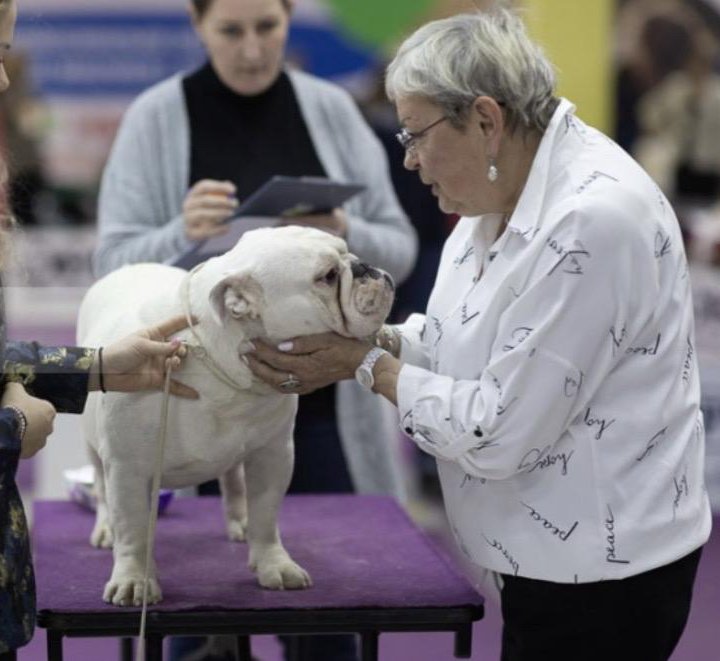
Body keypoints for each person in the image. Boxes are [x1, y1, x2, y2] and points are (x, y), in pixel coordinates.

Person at [246, 6, 712, 661]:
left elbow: (500, 431)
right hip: (541, 559)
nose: (407, 160)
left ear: (487, 120)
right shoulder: (498, 189)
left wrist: (364, 365)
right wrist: (373, 343)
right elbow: (454, 341)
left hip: (604, 576)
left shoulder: (592, 223)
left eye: (414, 135)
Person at [93, 1, 416, 659]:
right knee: (193, 634)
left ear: (289, 18)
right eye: (230, 31)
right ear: (197, 23)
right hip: (187, 403)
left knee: (326, 631)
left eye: (267, 28)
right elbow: (112, 267)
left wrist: (344, 234)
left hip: (316, 410)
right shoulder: (156, 116)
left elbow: (400, 248)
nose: (251, 50)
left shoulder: (329, 107)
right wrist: (180, 234)